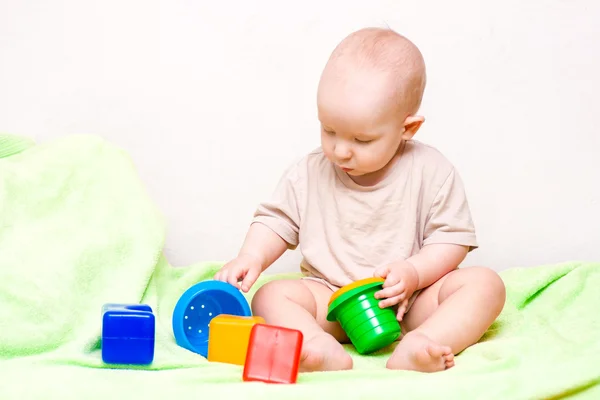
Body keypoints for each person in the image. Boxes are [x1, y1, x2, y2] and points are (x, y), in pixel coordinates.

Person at [214, 27, 506, 373]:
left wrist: (413, 273)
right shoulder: (309, 172)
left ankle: (422, 341)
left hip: (407, 303)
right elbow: (277, 221)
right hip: (332, 302)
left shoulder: (431, 171)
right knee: (270, 296)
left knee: (485, 285)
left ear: (407, 129)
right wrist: (252, 255)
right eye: (329, 130)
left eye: (362, 140)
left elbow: (451, 240)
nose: (339, 150)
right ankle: (317, 347)